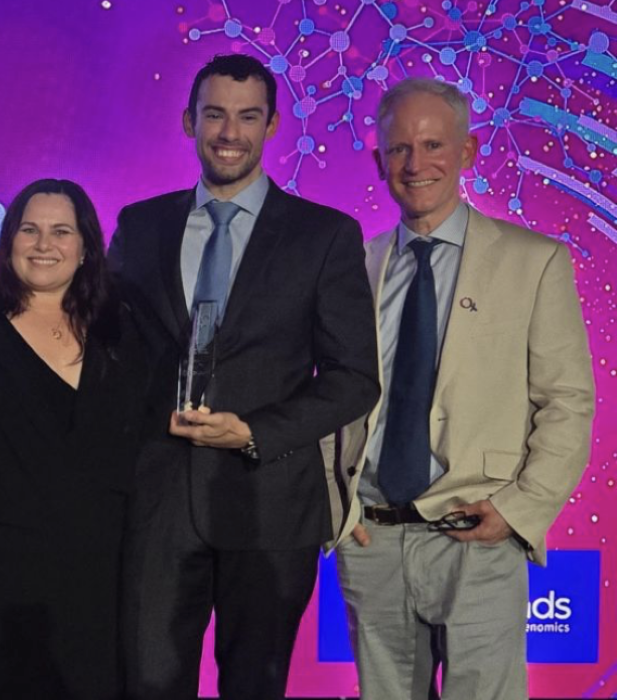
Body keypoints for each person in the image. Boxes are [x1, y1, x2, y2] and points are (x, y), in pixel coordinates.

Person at [108, 53, 380, 700]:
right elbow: (99, 347)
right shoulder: (140, 226)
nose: (230, 132)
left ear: (272, 125)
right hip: (157, 503)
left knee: (255, 687)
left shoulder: (325, 235)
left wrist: (254, 431)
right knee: (146, 684)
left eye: (247, 116)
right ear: (189, 121)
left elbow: (354, 378)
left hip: (270, 506)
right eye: (215, 115)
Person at [326, 77, 595, 700]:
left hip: (477, 535)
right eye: (398, 149)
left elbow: (567, 402)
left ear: (469, 151)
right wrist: (336, 510)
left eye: (432, 144)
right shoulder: (353, 268)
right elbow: (326, 397)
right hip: (372, 540)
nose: (415, 164)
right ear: (378, 162)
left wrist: (519, 509)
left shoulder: (534, 261)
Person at [0, 179, 155, 700]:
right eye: (29, 230)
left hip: (99, 564)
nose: (43, 244)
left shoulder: (121, 326)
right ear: (9, 242)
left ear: (84, 248)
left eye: (60, 231)